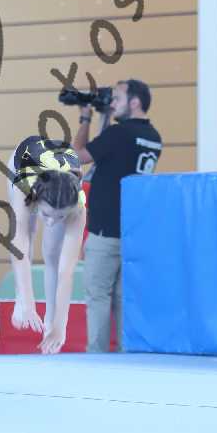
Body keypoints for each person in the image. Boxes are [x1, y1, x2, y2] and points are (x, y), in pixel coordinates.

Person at [72, 80, 162, 352]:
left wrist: (85, 118)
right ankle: (126, 356)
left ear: (135, 102)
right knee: (123, 299)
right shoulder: (153, 137)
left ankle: (97, 356)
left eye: (117, 98)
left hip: (105, 230)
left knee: (98, 295)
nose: (112, 103)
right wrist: (106, 119)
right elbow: (113, 158)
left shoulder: (118, 134)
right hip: (132, 231)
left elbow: (77, 156)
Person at [6, 135, 87, 354]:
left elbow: (66, 272)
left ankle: (49, 323)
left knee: (53, 254)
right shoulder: (24, 187)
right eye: (46, 214)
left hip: (61, 169)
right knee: (28, 232)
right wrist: (27, 300)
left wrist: (59, 326)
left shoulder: (78, 206)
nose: (50, 222)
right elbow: (18, 245)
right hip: (23, 157)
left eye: (60, 217)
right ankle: (20, 297)